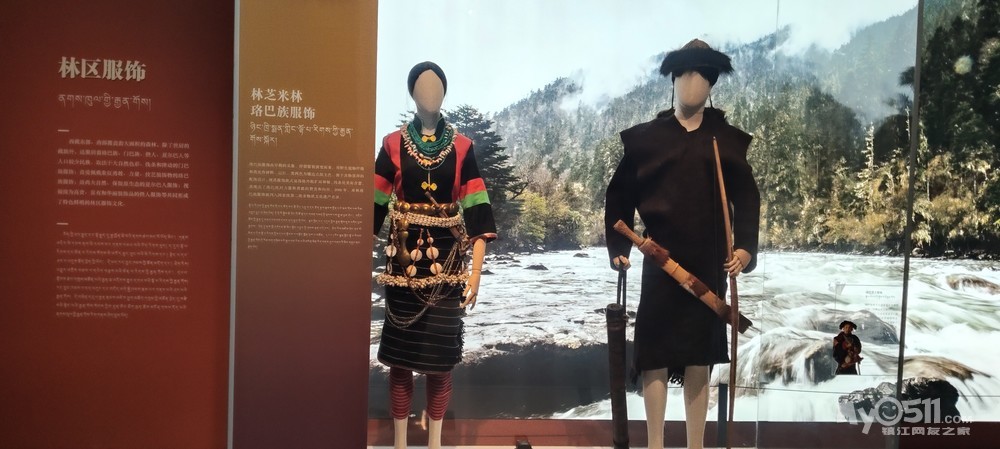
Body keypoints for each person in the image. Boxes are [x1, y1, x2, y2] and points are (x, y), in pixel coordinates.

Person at [604, 39, 760, 449]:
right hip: (659, 258)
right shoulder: (646, 140)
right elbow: (619, 196)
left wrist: (745, 248)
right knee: (653, 353)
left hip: (710, 262)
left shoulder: (725, 140)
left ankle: (696, 444)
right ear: (672, 79)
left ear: (712, 84)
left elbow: (747, 199)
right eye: (686, 75)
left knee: (699, 357)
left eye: (703, 77)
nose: (693, 84)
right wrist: (618, 248)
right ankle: (654, 442)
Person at [373, 61, 497, 449]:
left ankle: (435, 443)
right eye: (422, 88)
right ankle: (400, 443)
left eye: (437, 88)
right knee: (400, 362)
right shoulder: (392, 145)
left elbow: (478, 212)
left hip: (449, 266)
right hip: (402, 265)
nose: (430, 95)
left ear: (446, 93)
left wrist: (475, 275)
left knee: (440, 365)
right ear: (411, 94)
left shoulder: (462, 148)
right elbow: (373, 208)